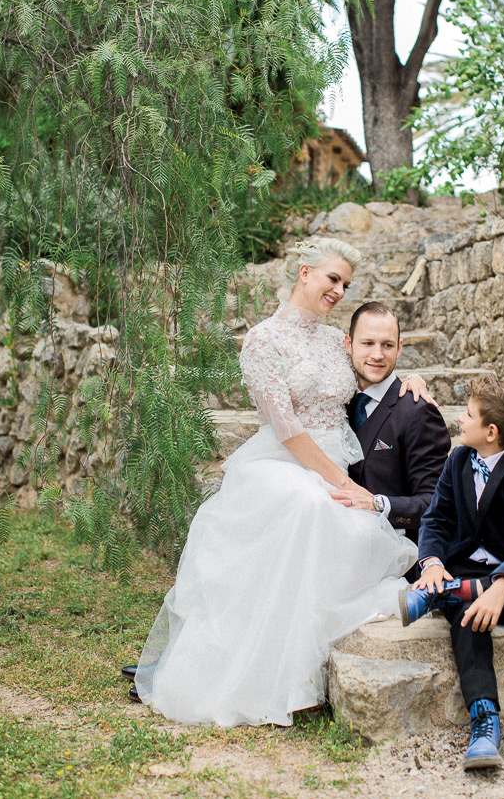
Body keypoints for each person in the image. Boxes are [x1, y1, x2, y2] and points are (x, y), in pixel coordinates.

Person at [129, 238, 422, 726]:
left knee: (336, 521)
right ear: (304, 272)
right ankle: (267, 681)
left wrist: (413, 382)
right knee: (312, 506)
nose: (339, 291)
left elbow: (375, 371)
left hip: (333, 461)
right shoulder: (263, 340)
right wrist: (340, 483)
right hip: (285, 464)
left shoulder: (335, 340)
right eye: (333, 279)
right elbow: (286, 428)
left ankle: (303, 671)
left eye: (346, 284)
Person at [399, 375, 504, 770]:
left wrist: (500, 587)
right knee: (471, 618)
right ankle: (485, 721)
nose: (459, 418)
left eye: (469, 414)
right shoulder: (457, 459)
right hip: (457, 567)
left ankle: (452, 594)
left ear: (491, 432)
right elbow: (436, 519)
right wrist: (434, 565)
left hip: (500, 575)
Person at [334, 301, 450, 551]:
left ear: (399, 348)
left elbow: (435, 502)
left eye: (387, 345)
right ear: (348, 344)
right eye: (367, 343)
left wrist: (378, 504)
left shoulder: (419, 412)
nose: (377, 355)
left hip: (391, 550)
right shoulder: (332, 400)